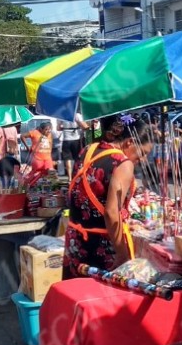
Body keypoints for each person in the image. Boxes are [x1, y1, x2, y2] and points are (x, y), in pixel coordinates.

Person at [62, 117, 153, 279]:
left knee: (76, 297)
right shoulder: (123, 164)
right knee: (101, 300)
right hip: (100, 248)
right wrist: (122, 254)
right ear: (130, 142)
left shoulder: (89, 149)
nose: (143, 160)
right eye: (143, 153)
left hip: (75, 242)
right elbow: (111, 213)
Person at [59, 113, 88, 181]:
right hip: (76, 139)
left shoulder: (61, 115)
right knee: (77, 158)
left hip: (66, 139)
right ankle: (76, 175)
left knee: (67, 158)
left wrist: (65, 127)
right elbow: (85, 127)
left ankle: (69, 177)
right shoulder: (77, 115)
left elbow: (58, 128)